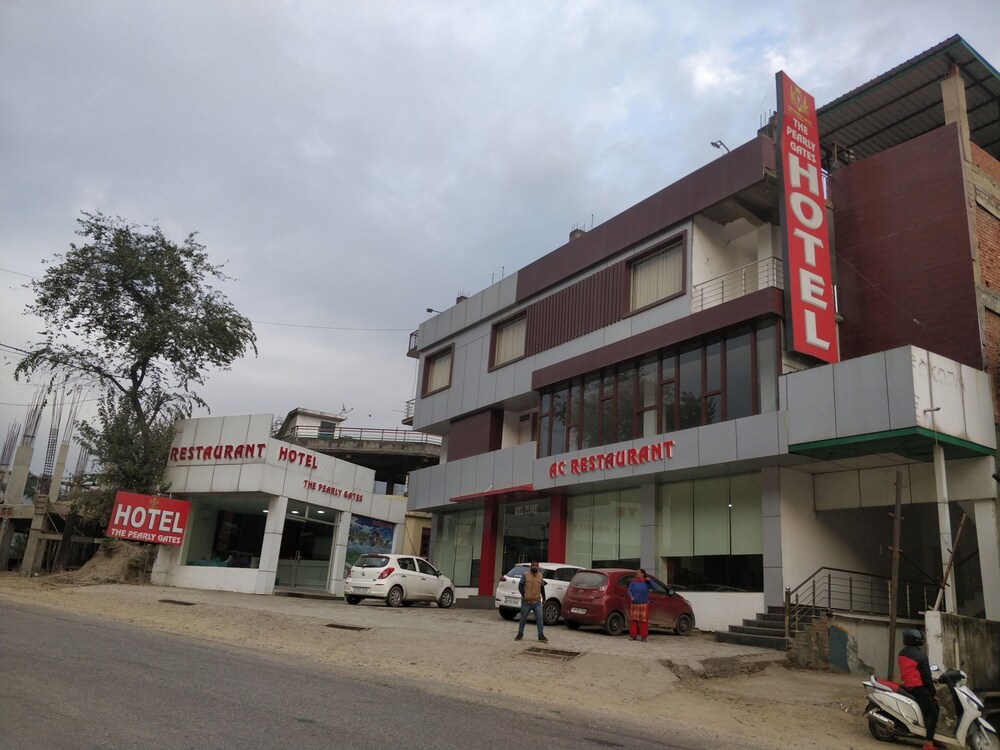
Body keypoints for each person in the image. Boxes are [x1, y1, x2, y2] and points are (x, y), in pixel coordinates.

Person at [898, 628, 940, 750]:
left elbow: (912, 671)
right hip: (918, 687)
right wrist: (933, 693)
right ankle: (928, 743)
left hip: (908, 685)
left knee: (928, 709)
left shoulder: (902, 652)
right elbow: (926, 679)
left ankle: (931, 736)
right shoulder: (921, 656)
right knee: (933, 711)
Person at [515, 560, 547, 642]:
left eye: (536, 565)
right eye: (533, 565)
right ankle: (520, 634)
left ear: (538, 567)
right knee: (523, 618)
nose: (534, 567)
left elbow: (542, 588)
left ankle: (541, 635)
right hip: (526, 602)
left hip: (537, 602)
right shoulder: (525, 575)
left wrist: (544, 598)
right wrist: (524, 594)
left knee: (540, 618)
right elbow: (520, 586)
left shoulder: (540, 576)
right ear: (531, 566)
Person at [627, 568, 653, 641]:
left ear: (643, 574)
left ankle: (643, 637)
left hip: (644, 604)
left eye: (638, 572)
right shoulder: (633, 581)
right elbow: (629, 590)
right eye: (637, 572)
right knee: (633, 620)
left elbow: (654, 587)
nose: (637, 573)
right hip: (634, 603)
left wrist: (649, 581)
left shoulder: (646, 582)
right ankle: (633, 636)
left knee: (643, 621)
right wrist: (631, 596)